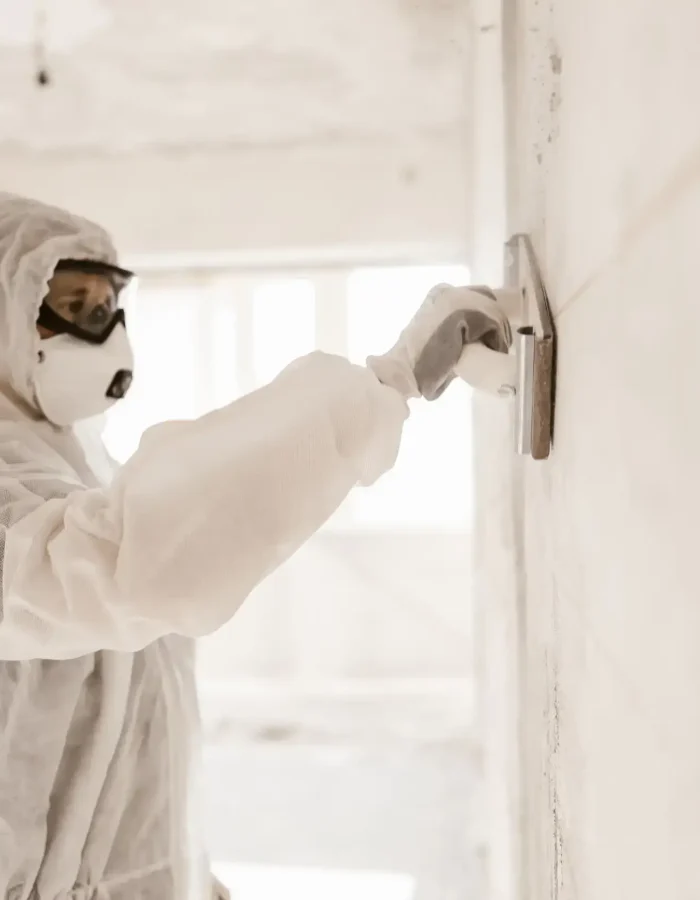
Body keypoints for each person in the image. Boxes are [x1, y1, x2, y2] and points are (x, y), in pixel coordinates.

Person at [0, 192, 511, 899]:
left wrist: (180, 869)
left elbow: (129, 731)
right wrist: (386, 385)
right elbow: (125, 567)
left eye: (113, 305)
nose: (111, 334)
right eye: (79, 306)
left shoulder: (65, 465)